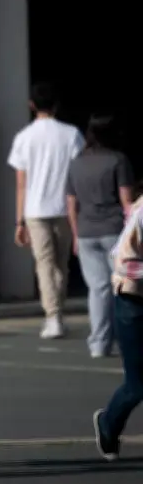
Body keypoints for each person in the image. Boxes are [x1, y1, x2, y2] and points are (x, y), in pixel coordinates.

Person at [8, 82, 85, 339]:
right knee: (61, 263)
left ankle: (52, 316)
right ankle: (57, 311)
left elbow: (21, 183)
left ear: (32, 105)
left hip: (34, 208)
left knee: (44, 263)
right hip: (65, 206)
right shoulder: (72, 134)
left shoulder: (24, 137)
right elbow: (80, 173)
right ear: (57, 105)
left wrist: (18, 221)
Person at [66, 115, 135, 358]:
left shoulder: (76, 163)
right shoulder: (118, 160)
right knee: (123, 288)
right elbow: (127, 202)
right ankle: (124, 339)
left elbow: (71, 204)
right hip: (114, 229)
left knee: (98, 289)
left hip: (86, 231)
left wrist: (75, 234)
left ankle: (98, 342)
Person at [92, 193, 142, 461]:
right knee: (137, 385)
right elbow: (122, 261)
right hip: (133, 301)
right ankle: (108, 423)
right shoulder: (142, 213)